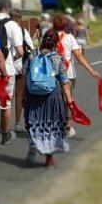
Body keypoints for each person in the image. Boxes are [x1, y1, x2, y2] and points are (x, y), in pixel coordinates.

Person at [24, 26, 73, 167]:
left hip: (33, 95)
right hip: (52, 96)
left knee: (34, 122)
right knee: (51, 125)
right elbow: (64, 82)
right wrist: (70, 101)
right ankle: (49, 158)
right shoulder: (58, 58)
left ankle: (34, 144)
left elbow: (25, 75)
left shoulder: (33, 54)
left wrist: (22, 95)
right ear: (56, 43)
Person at [52, 13, 100, 137]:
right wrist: (91, 71)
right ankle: (67, 127)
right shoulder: (69, 38)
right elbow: (79, 56)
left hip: (51, 74)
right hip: (67, 74)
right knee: (68, 100)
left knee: (52, 99)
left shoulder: (48, 36)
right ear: (65, 25)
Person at [0, 0, 24, 145]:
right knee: (5, 103)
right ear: (6, 7)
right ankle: (5, 133)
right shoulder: (13, 25)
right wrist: (13, 60)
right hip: (7, 69)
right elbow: (20, 51)